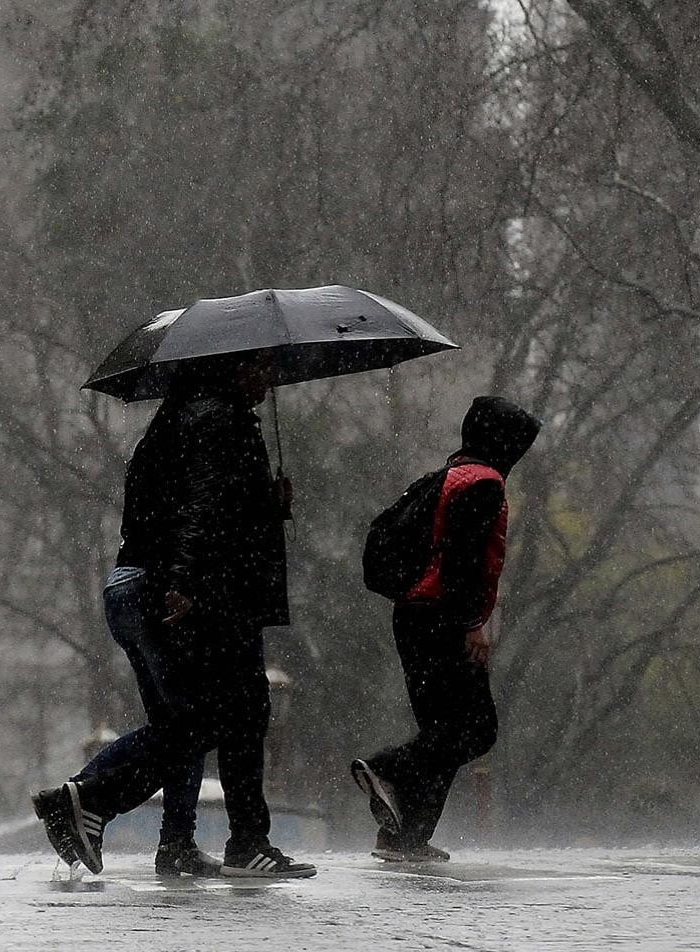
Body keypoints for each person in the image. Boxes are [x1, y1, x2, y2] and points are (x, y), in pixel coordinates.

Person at [32, 354, 316, 879]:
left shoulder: (172, 424)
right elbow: (201, 508)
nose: (267, 376)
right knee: (226, 714)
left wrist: (265, 504)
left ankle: (177, 841)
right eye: (259, 368)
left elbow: (181, 505)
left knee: (183, 717)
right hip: (184, 591)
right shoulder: (219, 420)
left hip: (135, 586)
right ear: (229, 369)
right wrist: (185, 580)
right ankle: (90, 797)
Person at [352, 396, 540, 862]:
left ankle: (404, 837)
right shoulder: (484, 483)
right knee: (476, 730)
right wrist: (472, 623)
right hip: (443, 616)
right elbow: (463, 559)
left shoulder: (444, 477)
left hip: (413, 614)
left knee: (442, 731)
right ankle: (387, 768)